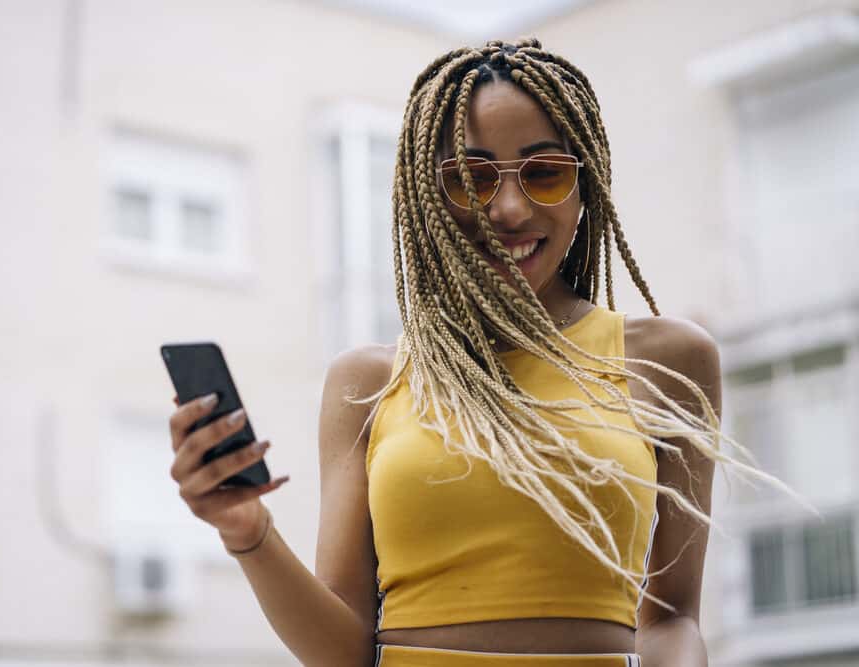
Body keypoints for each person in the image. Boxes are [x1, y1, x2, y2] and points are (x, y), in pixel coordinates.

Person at [166, 38, 809, 667]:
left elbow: (671, 620)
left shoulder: (668, 359)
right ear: (426, 199)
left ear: (587, 187)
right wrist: (247, 530)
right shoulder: (368, 381)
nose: (506, 207)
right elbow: (344, 652)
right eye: (469, 178)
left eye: (546, 172)